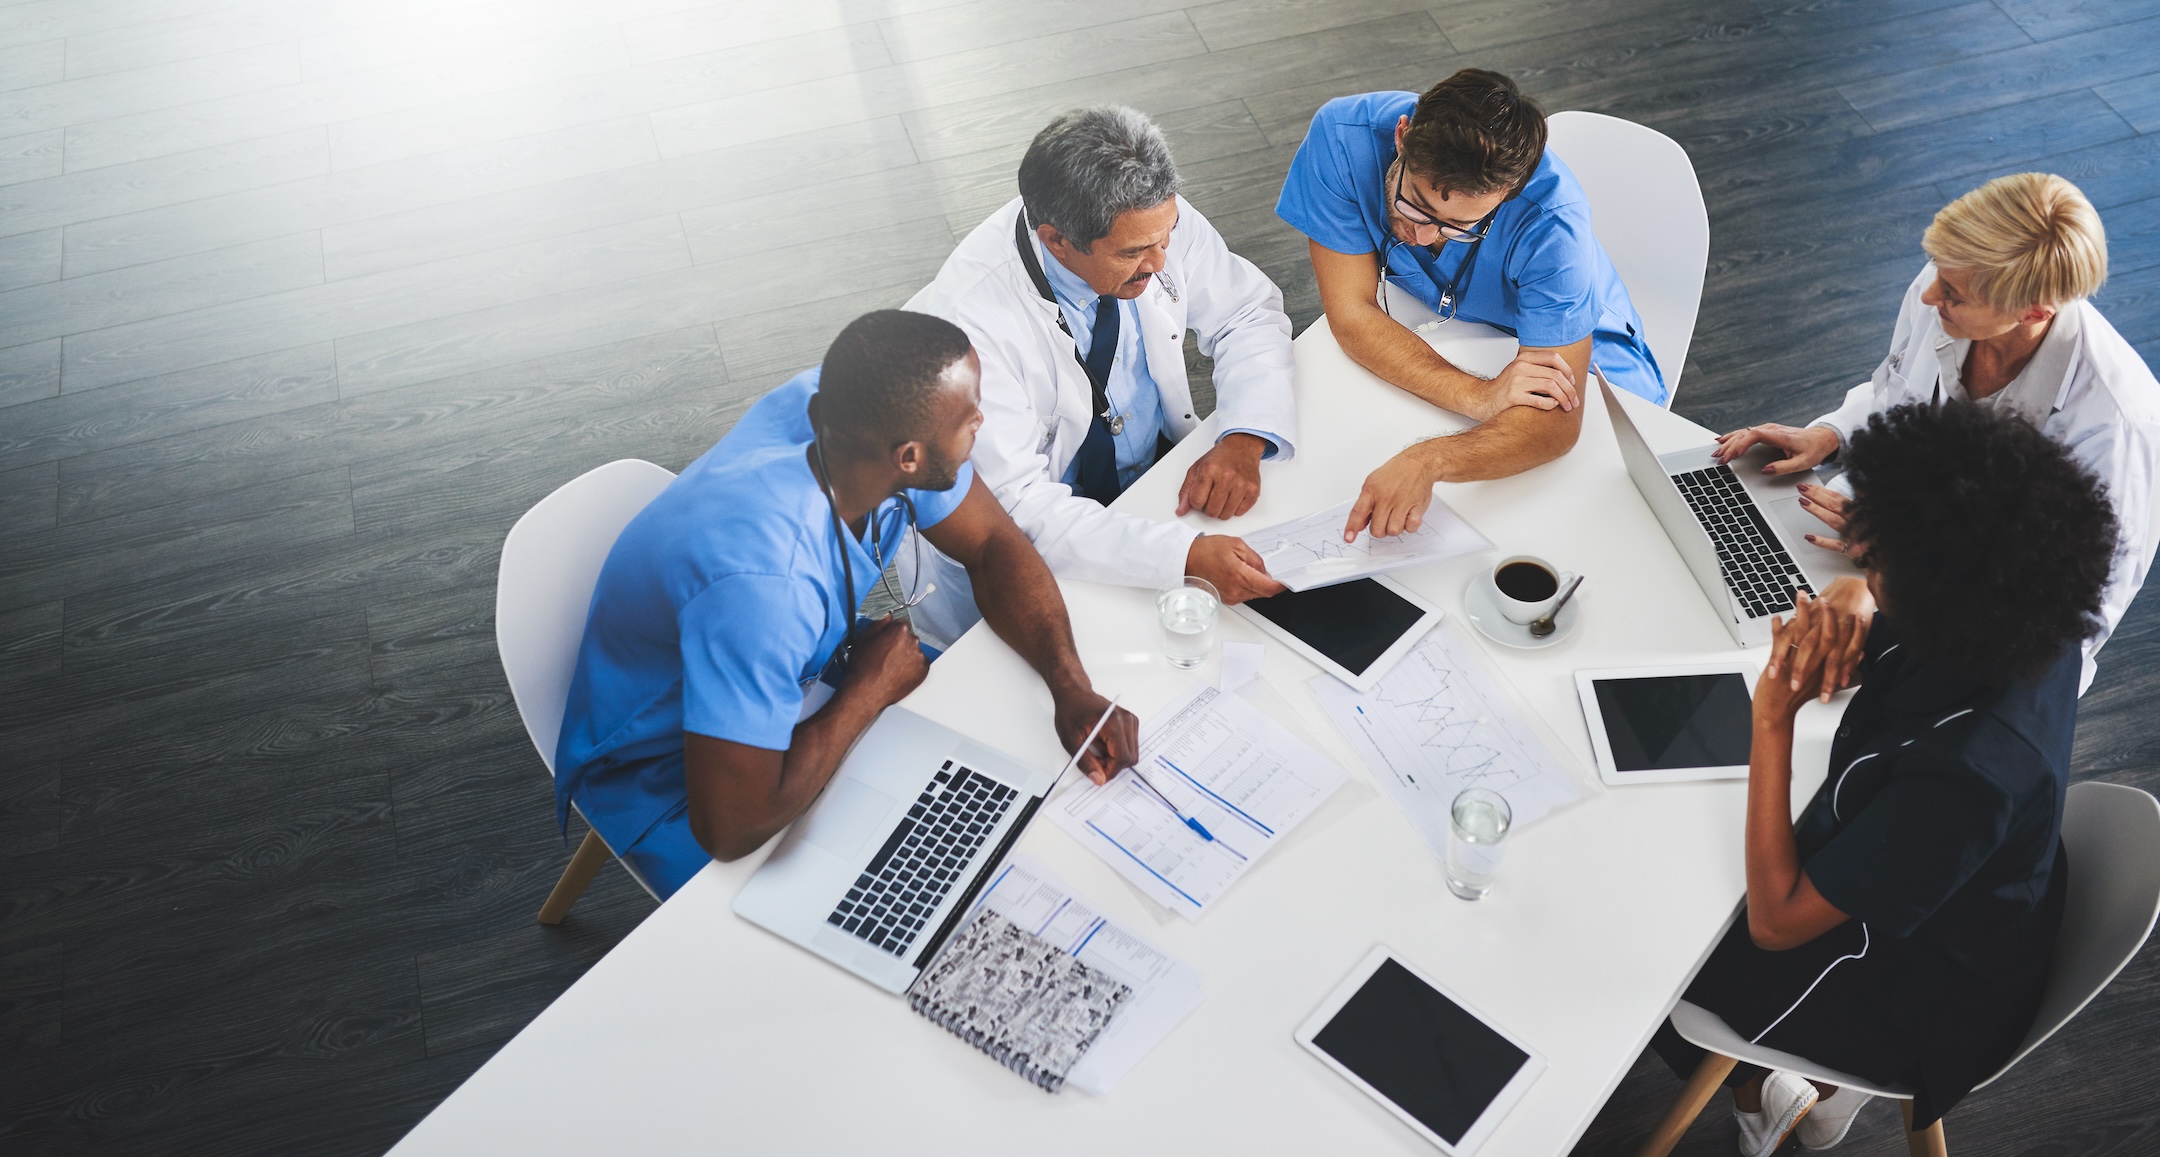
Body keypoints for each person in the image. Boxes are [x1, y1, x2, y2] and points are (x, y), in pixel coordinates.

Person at [1652, 402, 2118, 1154]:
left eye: (1875, 562)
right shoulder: (2029, 612)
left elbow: (1776, 924)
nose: (1862, 563)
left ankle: (1773, 1099)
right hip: (1962, 894)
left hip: (1910, 993)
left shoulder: (1972, 775)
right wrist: (1859, 603)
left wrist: (1771, 721)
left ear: (1943, 593)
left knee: (1666, 939)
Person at [552, 311, 1140, 899]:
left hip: (806, 673)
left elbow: (992, 543)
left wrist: (1070, 686)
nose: (982, 421)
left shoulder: (855, 413)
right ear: (908, 458)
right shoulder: (767, 589)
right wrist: (868, 690)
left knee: (995, 801)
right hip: (671, 773)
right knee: (891, 899)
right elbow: (729, 829)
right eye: (971, 416)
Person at [1714, 173, 2159, 695]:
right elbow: (1897, 395)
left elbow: (2068, 630)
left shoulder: (2117, 430)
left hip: (1959, 644)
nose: (1928, 296)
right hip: (1864, 542)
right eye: (1937, 272)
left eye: (1951, 295)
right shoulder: (1951, 283)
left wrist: (1904, 562)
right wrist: (1834, 434)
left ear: (2034, 312)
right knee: (1731, 596)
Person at [903, 106, 1298, 648]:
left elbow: (1246, 315)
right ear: (1057, 240)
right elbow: (1013, 509)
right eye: (1134, 253)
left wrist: (1246, 435)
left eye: (1168, 236)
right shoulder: (964, 331)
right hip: (1026, 548)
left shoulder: (1150, 218)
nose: (1161, 263)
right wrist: (1178, 557)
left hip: (1153, 490)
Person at [1274, 68, 1664, 541]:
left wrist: (1428, 459)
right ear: (1402, 136)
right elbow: (1353, 315)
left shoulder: (1554, 224)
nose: (1421, 236)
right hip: (1459, 337)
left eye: (1459, 227)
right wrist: (1481, 397)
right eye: (1413, 204)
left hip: (1596, 369)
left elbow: (1554, 428)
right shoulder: (1342, 137)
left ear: (1507, 197)